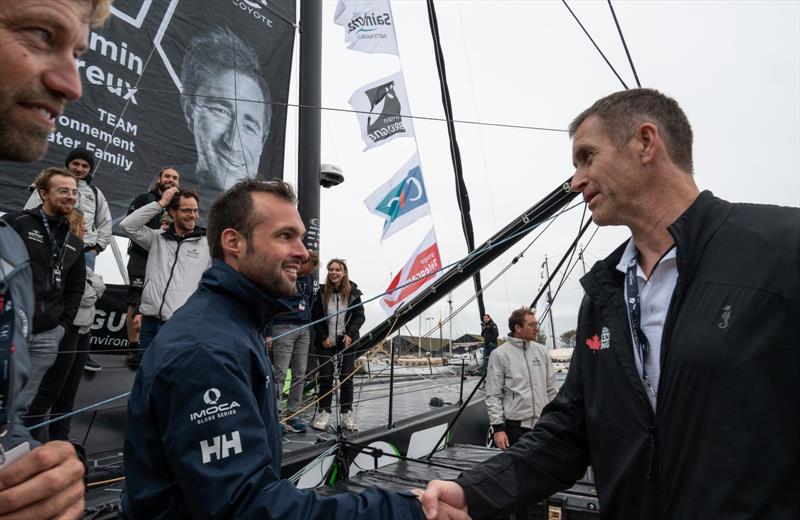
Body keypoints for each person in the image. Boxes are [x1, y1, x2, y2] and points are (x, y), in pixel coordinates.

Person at [421, 88, 800, 520]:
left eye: (587, 157)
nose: (576, 180)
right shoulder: (606, 291)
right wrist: (475, 492)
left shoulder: (782, 249)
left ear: (644, 142)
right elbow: (571, 429)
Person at [122, 179, 423, 519]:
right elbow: (245, 509)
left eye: (300, 237)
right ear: (233, 242)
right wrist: (408, 511)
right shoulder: (206, 350)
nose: (303, 253)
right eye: (285, 236)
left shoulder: (238, 325)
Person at [0, 1, 111, 518]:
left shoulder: (7, 255)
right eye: (41, 34)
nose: (73, 84)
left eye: (78, 53)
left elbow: (5, 422)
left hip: (55, 327)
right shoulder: (20, 233)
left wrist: (32, 477)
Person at [3, 168, 87, 419]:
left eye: (74, 192)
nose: (71, 197)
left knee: (20, 406)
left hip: (48, 335)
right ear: (43, 193)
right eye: (63, 191)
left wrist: (62, 326)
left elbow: (75, 289)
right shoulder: (16, 223)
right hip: (10, 329)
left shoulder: (75, 242)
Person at [26, 209, 105, 442]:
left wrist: (90, 285)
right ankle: (29, 444)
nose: (88, 230)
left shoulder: (80, 255)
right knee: (48, 392)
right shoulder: (58, 256)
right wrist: (90, 286)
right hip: (66, 332)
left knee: (68, 395)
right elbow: (85, 294)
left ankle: (60, 443)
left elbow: (97, 286)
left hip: (84, 332)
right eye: (83, 226)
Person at [120, 186, 210, 360]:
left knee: (170, 379)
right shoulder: (157, 238)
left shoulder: (207, 245)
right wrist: (160, 203)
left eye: (195, 211)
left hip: (180, 325)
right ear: (172, 212)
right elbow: (127, 225)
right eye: (186, 211)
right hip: (149, 322)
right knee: (146, 377)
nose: (193, 215)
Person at [180, 26, 272, 196]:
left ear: (262, 142)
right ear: (189, 109)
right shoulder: (136, 218)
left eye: (249, 127)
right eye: (221, 111)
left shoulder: (280, 218)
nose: (233, 141)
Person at [122, 167, 180, 368]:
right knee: (135, 298)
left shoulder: (180, 205)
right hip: (141, 255)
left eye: (175, 178)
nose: (171, 180)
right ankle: (133, 347)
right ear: (159, 179)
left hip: (166, 260)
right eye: (167, 176)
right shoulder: (145, 198)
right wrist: (160, 203)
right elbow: (130, 224)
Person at [24, 148, 112, 271]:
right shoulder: (49, 184)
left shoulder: (96, 193)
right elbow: (30, 213)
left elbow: (106, 223)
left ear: (90, 169)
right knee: (42, 286)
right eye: (75, 164)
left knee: (81, 289)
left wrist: (96, 249)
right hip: (48, 248)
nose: (79, 169)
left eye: (85, 166)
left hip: (84, 253)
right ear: (68, 164)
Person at [486, 307, 556, 453]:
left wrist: (555, 419)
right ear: (517, 327)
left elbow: (551, 389)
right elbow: (494, 394)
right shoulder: (499, 354)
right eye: (532, 325)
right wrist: (498, 429)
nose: (536, 329)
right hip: (516, 428)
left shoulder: (542, 351)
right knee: (519, 471)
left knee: (545, 469)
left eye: (536, 324)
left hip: (543, 424)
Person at [266, 250, 319, 433]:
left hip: (303, 328)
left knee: (300, 373)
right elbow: (271, 301)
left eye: (309, 271)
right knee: (280, 373)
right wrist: (268, 332)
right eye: (304, 270)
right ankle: (275, 416)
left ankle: (293, 414)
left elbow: (310, 300)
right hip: (283, 326)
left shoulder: (310, 278)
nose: (305, 274)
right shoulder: (283, 273)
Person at [310, 259, 365, 432]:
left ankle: (346, 414)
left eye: (337, 270)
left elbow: (359, 316)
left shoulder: (353, 293)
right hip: (326, 342)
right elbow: (315, 317)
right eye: (331, 269)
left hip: (347, 341)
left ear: (344, 272)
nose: (334, 272)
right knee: (326, 378)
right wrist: (323, 336)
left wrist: (350, 334)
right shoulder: (321, 293)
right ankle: (324, 412)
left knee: (346, 377)